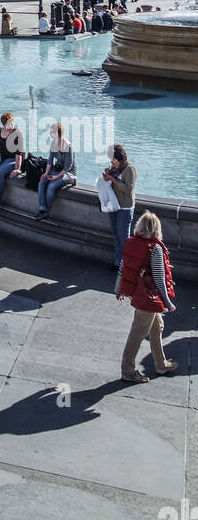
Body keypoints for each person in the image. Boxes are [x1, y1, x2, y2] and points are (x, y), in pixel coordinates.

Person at [116, 210, 176, 382]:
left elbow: (123, 267)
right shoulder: (155, 249)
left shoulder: (131, 242)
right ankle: (128, 371)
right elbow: (159, 278)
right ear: (156, 229)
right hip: (148, 296)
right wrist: (167, 302)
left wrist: (118, 289)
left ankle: (161, 364)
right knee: (137, 333)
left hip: (136, 291)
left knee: (157, 326)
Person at [102, 143, 136, 269]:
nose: (112, 162)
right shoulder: (114, 168)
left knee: (124, 238)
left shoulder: (130, 169)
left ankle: (127, 265)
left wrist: (113, 179)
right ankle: (118, 263)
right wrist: (107, 176)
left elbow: (128, 189)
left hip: (125, 207)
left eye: (114, 159)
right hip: (114, 205)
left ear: (120, 158)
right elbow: (112, 185)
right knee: (116, 235)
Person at [35, 123, 76, 218]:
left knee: (51, 186)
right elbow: (50, 160)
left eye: (51, 132)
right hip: (57, 170)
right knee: (42, 182)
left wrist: (56, 177)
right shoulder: (53, 143)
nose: (50, 134)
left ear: (57, 133)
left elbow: (68, 167)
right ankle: (42, 209)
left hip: (68, 173)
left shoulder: (68, 146)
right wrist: (46, 173)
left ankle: (47, 211)